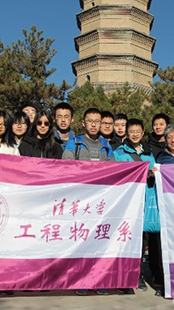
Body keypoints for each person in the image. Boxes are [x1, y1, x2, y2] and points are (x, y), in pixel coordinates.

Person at [62, 108, 114, 295]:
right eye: (90, 121)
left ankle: (99, 279)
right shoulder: (74, 143)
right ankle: (82, 280)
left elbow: (115, 170)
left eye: (97, 121)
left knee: (100, 240)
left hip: (101, 202)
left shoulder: (106, 146)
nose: (93, 124)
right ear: (83, 123)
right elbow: (66, 167)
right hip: (81, 202)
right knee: (81, 241)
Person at [113, 119, 161, 295]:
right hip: (129, 203)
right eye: (131, 131)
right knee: (131, 241)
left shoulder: (149, 153)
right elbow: (117, 174)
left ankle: (151, 275)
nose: (134, 134)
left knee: (148, 241)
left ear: (142, 133)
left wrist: (154, 173)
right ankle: (134, 275)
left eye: (137, 131)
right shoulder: (118, 153)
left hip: (147, 202)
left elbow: (155, 173)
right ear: (127, 133)